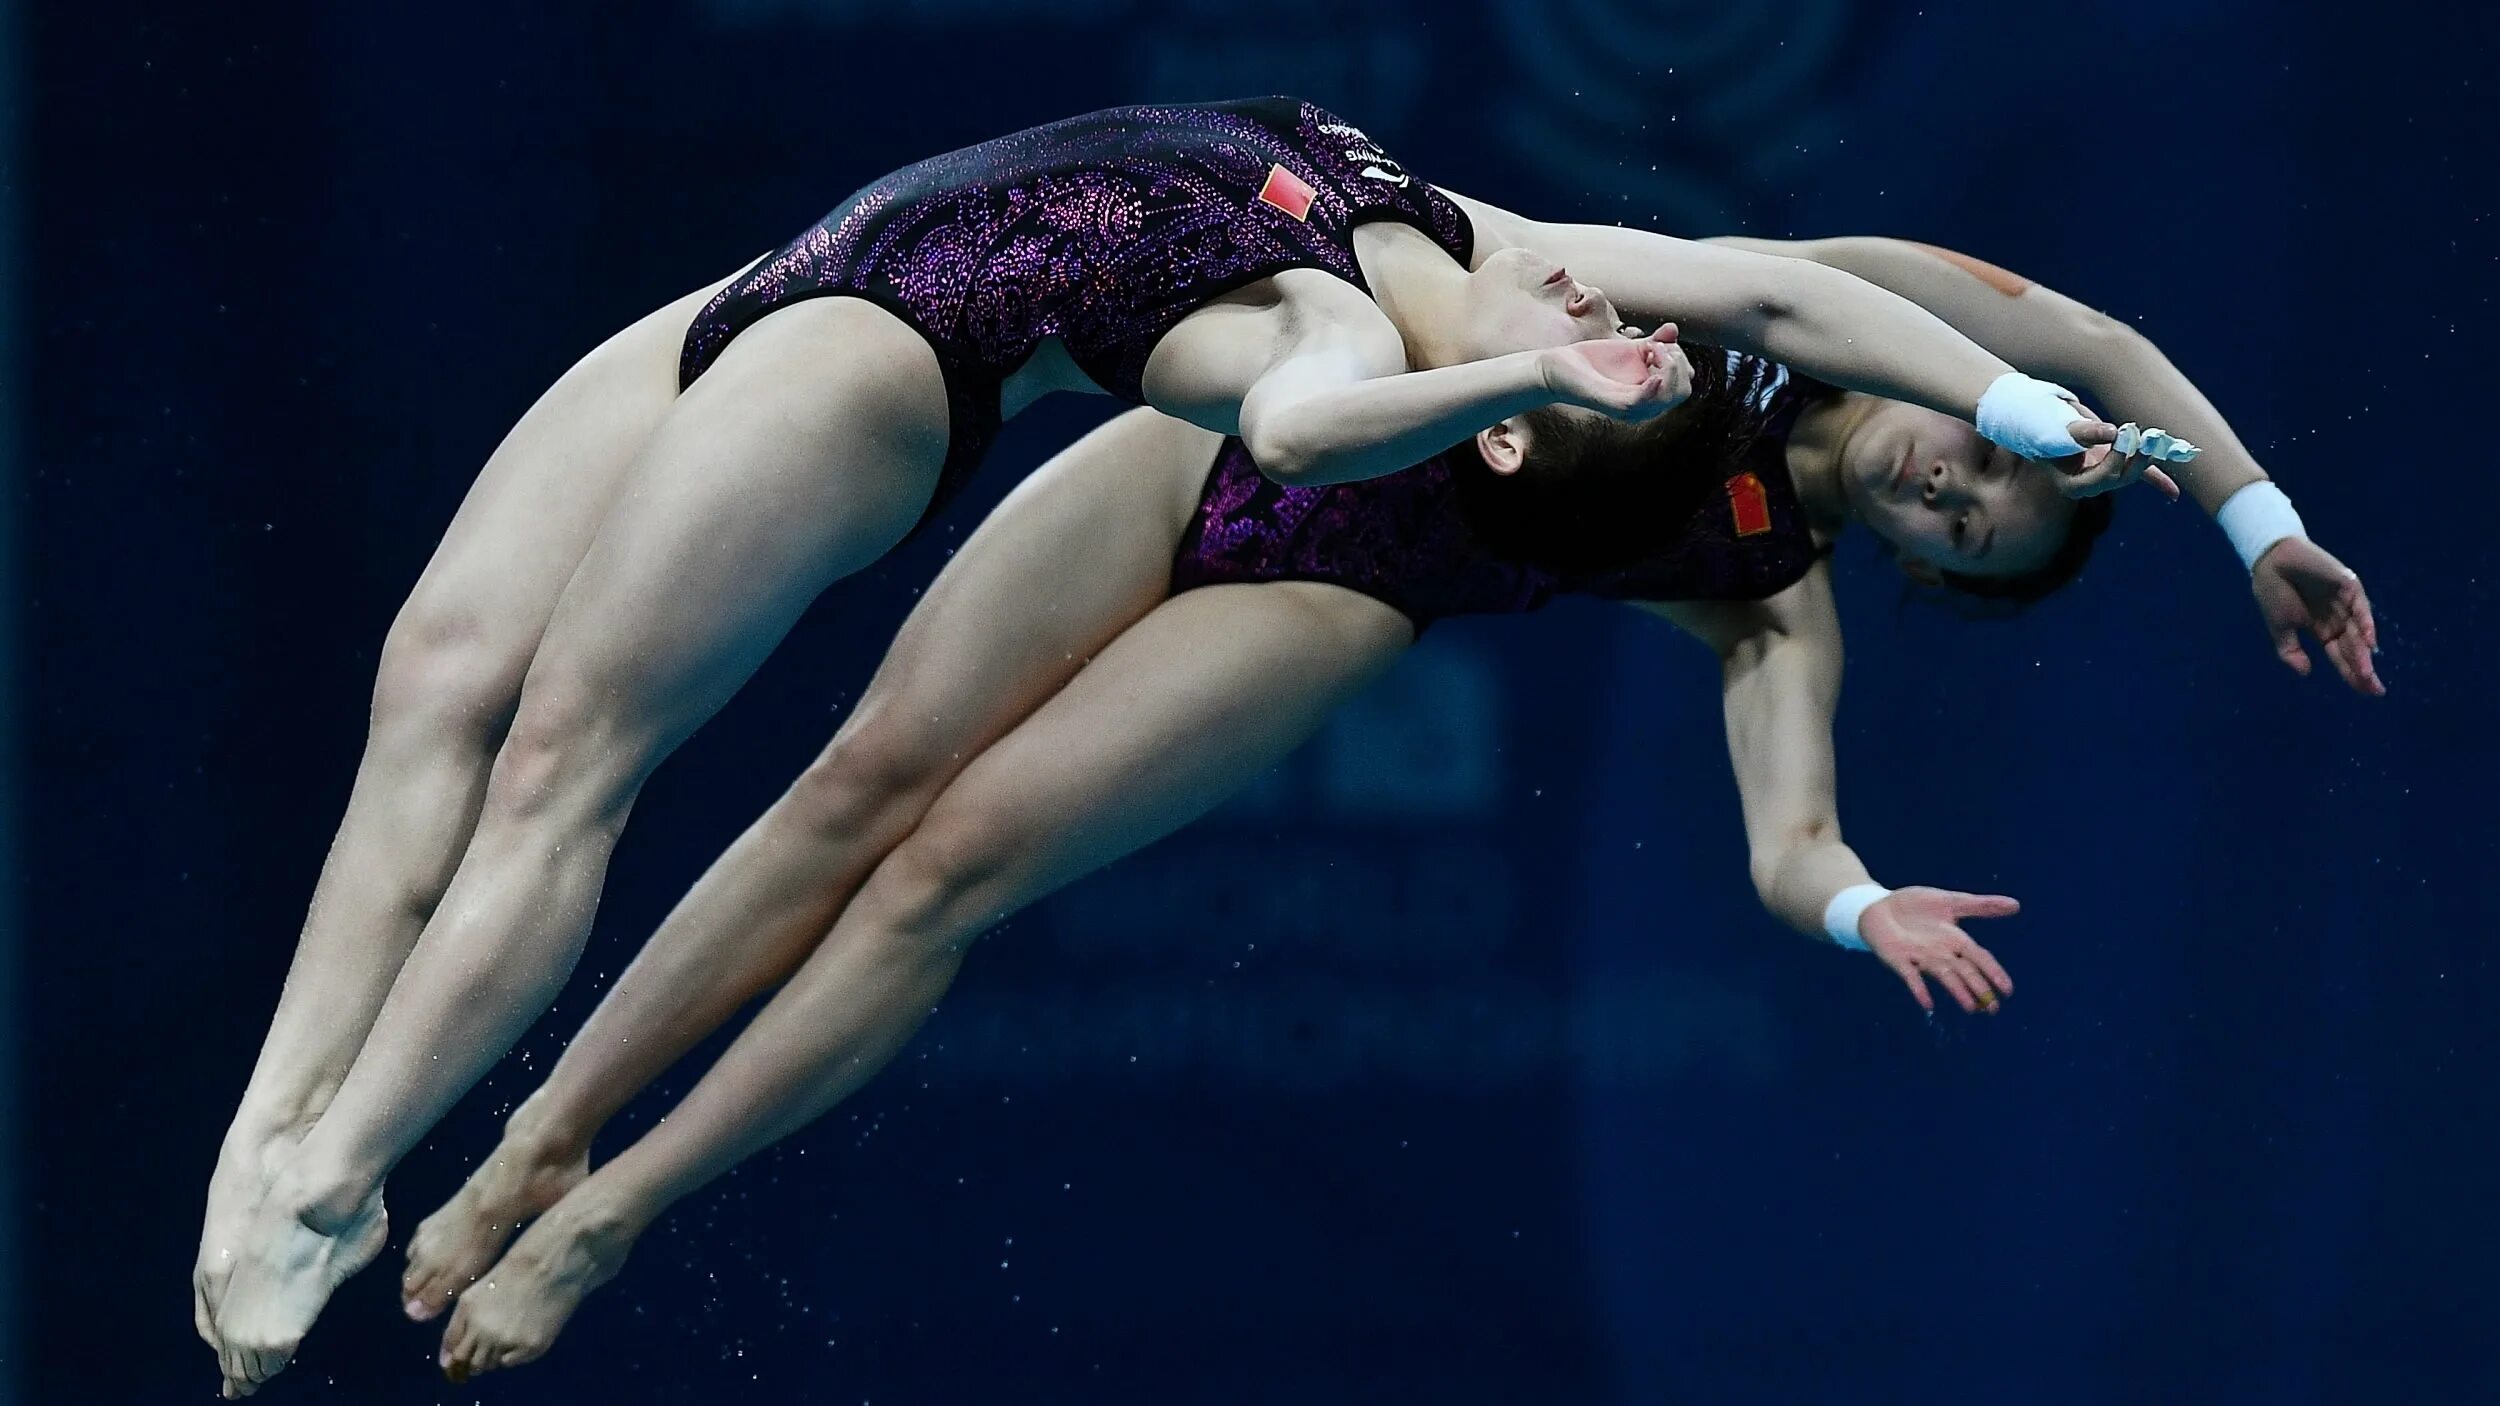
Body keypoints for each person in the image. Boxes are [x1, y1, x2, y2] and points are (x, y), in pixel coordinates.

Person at [196, 96, 2121, 1397]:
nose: (1950, 484)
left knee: (928, 867)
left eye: (1969, 521)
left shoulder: (1736, 551)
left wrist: (1859, 904)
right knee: (814, 777)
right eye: (1976, 471)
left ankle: (596, 1199)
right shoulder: (1521, 244)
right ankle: (497, 1142)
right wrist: (2184, 481)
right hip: (1087, 400)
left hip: (1341, 569)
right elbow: (1885, 295)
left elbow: (1784, 822)